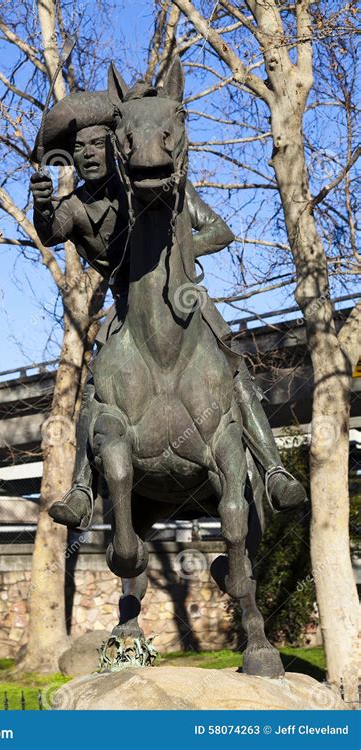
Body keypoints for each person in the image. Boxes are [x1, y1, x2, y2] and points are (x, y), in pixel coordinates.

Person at [30, 91, 306, 529]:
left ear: (115, 146)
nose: (89, 155)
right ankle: (82, 488)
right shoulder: (78, 206)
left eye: (98, 145)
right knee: (92, 391)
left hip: (183, 294)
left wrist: (179, 250)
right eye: (79, 149)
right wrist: (42, 205)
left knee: (236, 371)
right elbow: (50, 231)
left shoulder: (152, 183)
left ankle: (273, 470)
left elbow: (221, 231)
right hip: (128, 307)